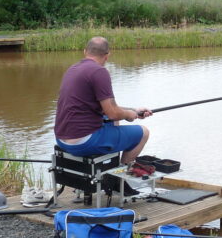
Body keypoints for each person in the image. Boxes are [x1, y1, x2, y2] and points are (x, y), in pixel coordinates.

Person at [54, 37, 152, 165]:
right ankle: (121, 177)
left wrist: (134, 110)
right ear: (107, 55)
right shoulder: (99, 72)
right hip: (84, 142)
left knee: (114, 119)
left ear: (85, 51)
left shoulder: (72, 69)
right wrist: (129, 115)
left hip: (61, 139)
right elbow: (113, 113)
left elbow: (108, 109)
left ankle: (111, 168)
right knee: (143, 133)